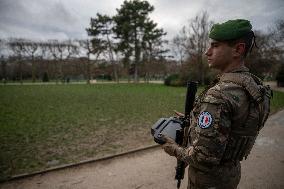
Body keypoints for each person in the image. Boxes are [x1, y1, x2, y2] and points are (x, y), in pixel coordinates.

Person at [161, 19, 272, 189]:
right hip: (231, 173)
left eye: (215, 45)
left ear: (238, 49)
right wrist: (197, 120)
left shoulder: (218, 95)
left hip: (207, 181)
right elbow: (235, 128)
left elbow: (203, 159)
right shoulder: (256, 87)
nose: (207, 51)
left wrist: (173, 148)